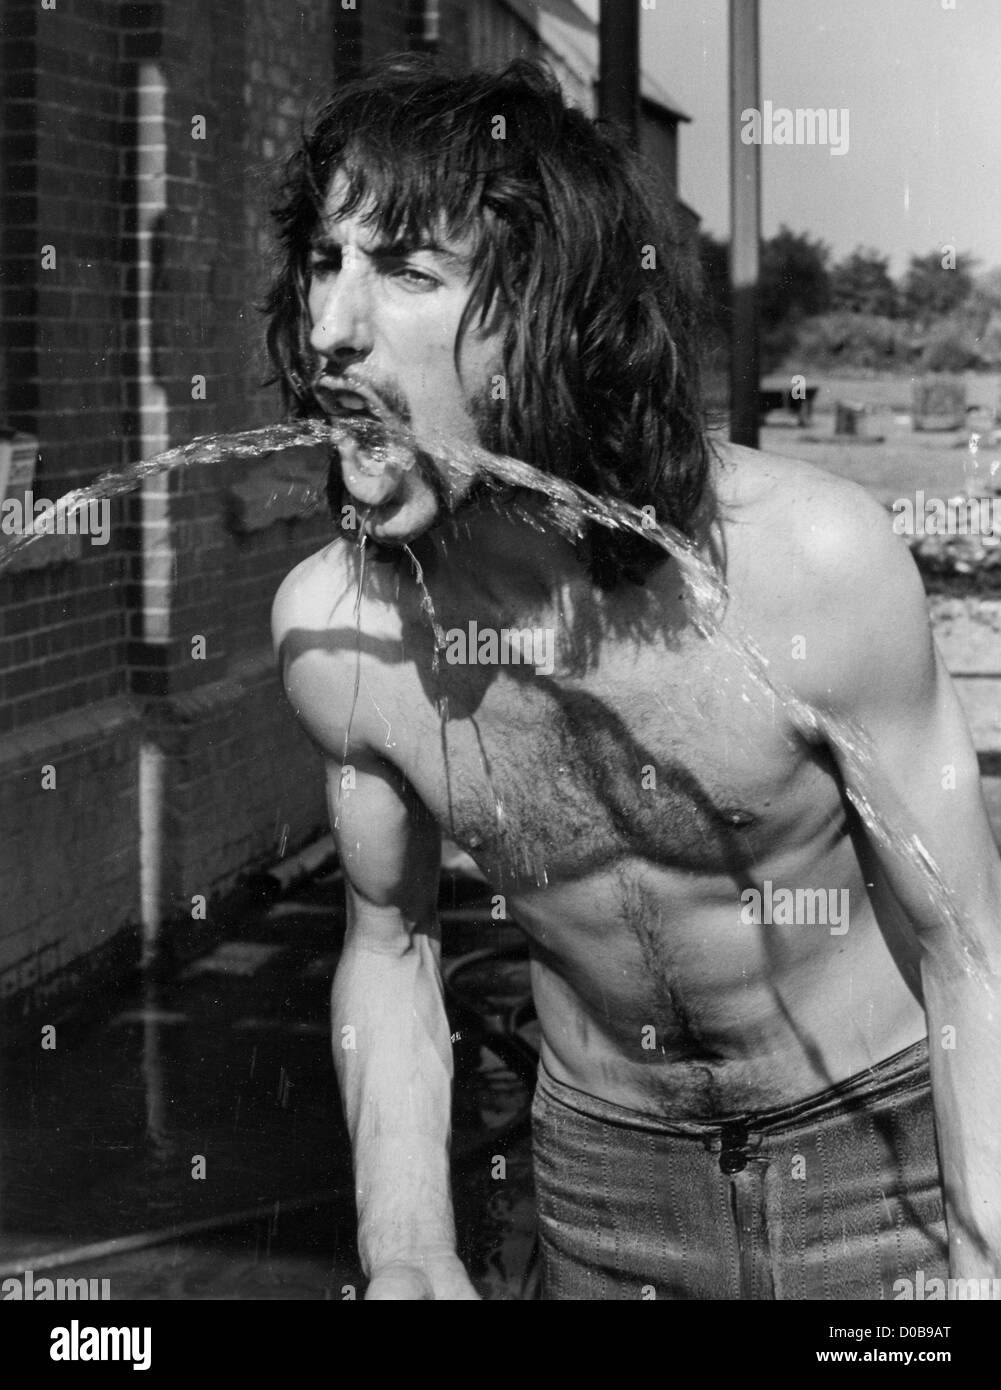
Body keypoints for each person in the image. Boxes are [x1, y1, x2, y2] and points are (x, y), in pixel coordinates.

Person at [268, 56, 1001, 1300]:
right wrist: (406, 1248)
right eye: (325, 264)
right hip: (604, 1194)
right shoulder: (344, 636)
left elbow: (969, 951)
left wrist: (986, 1267)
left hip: (878, 1177)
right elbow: (388, 949)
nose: (333, 327)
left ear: (548, 310)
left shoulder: (807, 566)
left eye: (403, 272)